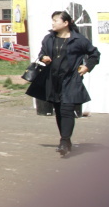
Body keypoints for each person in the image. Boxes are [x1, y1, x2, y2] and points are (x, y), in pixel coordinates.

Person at [25, 10, 100, 157]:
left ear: (65, 23)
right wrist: (44, 57)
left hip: (71, 79)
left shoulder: (79, 40)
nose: (53, 23)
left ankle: (64, 141)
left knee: (67, 109)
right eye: (52, 20)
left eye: (56, 20)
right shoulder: (49, 38)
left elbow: (94, 54)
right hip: (53, 79)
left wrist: (87, 67)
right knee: (59, 110)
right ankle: (66, 140)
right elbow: (42, 53)